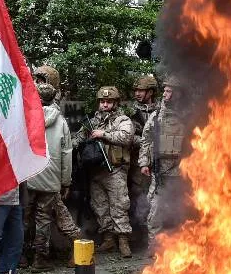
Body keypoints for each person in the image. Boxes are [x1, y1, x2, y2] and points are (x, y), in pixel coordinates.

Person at [28, 83, 81, 270]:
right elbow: (67, 154)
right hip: (50, 178)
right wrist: (66, 182)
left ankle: (21, 258)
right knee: (43, 218)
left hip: (28, 175)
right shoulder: (61, 122)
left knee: (23, 217)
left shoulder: (25, 117)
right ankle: (39, 259)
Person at [78, 86, 135, 257]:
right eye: (102, 101)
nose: (105, 104)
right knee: (100, 207)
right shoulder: (92, 121)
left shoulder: (122, 120)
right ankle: (108, 239)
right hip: (96, 171)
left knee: (119, 206)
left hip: (115, 170)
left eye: (109, 102)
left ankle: (123, 241)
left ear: (115, 103)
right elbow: (79, 138)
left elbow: (126, 137)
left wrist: (103, 134)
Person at [140, 76, 189, 237]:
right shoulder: (156, 116)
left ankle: (182, 243)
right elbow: (146, 139)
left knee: (181, 211)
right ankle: (154, 245)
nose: (165, 94)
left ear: (178, 94)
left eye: (169, 91)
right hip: (159, 171)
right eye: (165, 90)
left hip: (181, 171)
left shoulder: (187, 115)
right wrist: (144, 163)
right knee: (155, 211)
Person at [126, 74, 159, 249]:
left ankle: (154, 237)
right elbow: (129, 136)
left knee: (155, 200)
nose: (137, 93)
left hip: (158, 164)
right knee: (137, 199)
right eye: (136, 90)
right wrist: (148, 142)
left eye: (141, 90)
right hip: (137, 164)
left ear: (151, 92)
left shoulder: (161, 110)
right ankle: (138, 237)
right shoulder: (130, 112)